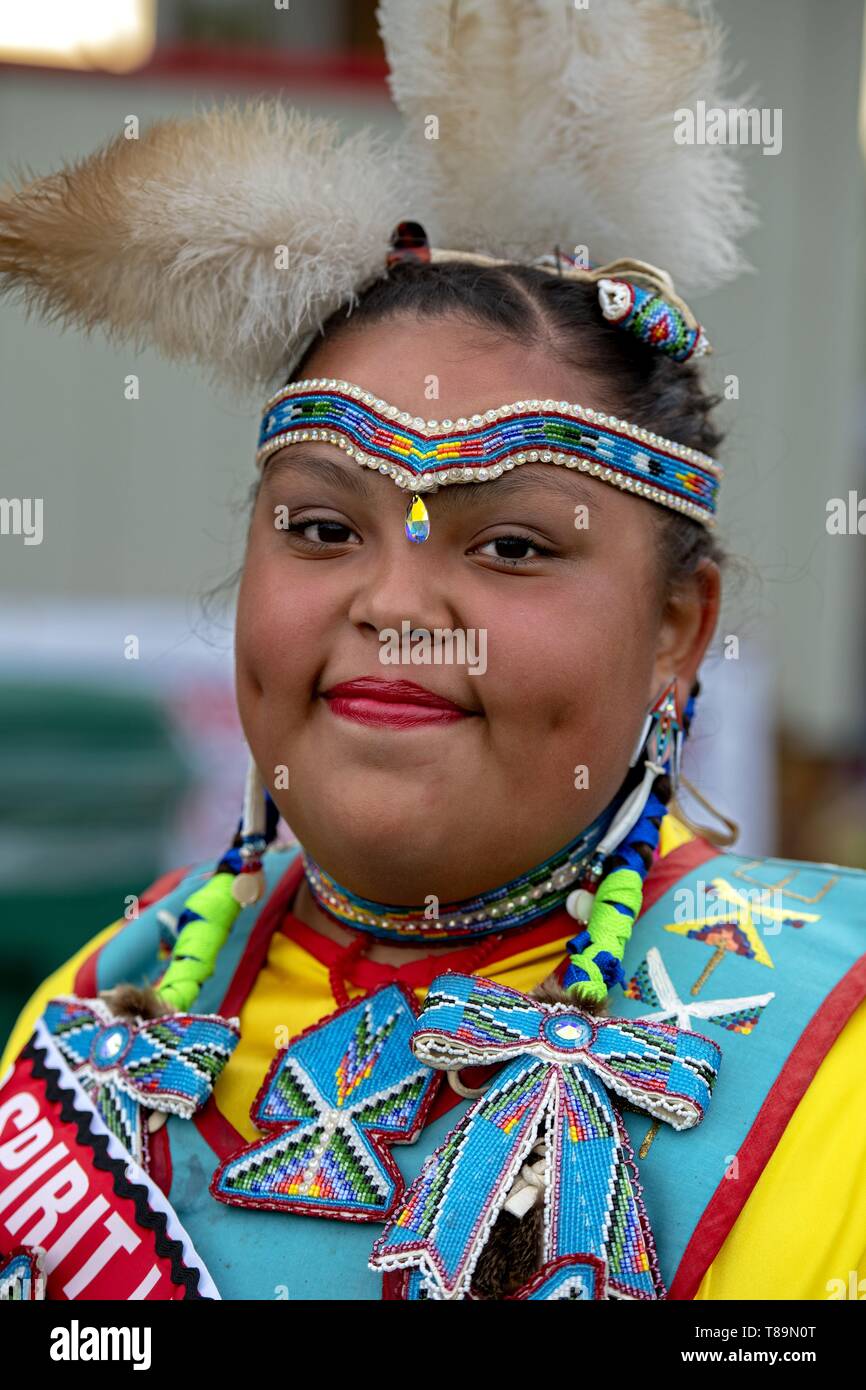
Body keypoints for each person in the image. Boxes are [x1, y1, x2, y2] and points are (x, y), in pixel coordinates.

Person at [2, 0, 865, 1302]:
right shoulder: (96, 1009)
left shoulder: (835, 1041)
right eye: (319, 525)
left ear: (674, 629)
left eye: (512, 546)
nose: (392, 604)